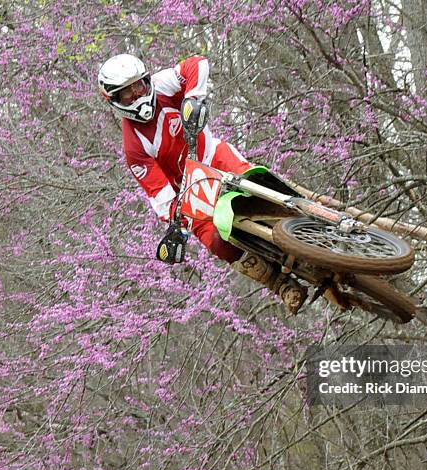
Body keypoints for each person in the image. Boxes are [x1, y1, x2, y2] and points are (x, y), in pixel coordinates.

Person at [97, 53, 306, 313]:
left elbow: (197, 63)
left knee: (258, 182)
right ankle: (279, 283)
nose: (138, 95)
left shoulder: (162, 84)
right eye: (127, 93)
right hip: (191, 193)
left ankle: (307, 210)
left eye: (139, 85)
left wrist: (193, 98)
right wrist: (175, 225)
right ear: (115, 100)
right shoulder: (133, 147)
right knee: (217, 242)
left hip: (212, 156)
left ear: (147, 80)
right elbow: (160, 195)